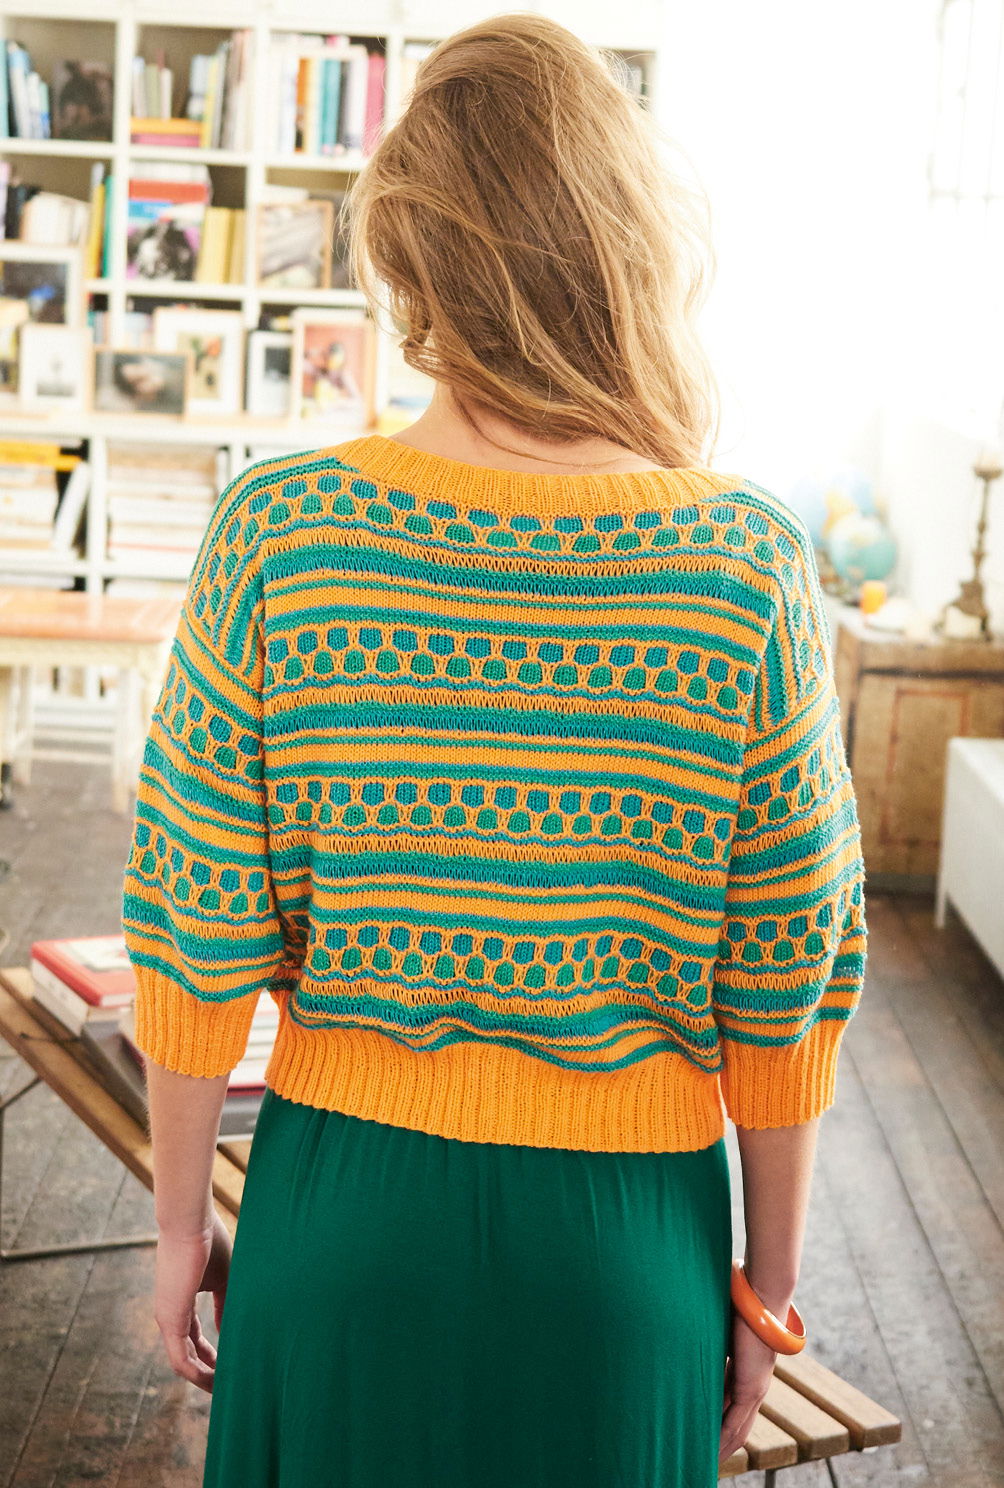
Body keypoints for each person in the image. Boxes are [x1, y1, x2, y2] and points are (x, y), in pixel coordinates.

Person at [121, 14, 867, 1488]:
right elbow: (788, 965)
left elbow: (195, 926)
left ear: (407, 260)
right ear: (630, 245)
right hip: (625, 1257)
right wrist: (766, 1291)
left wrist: (175, 1229)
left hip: (338, 1221)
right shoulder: (745, 567)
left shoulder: (282, 535)